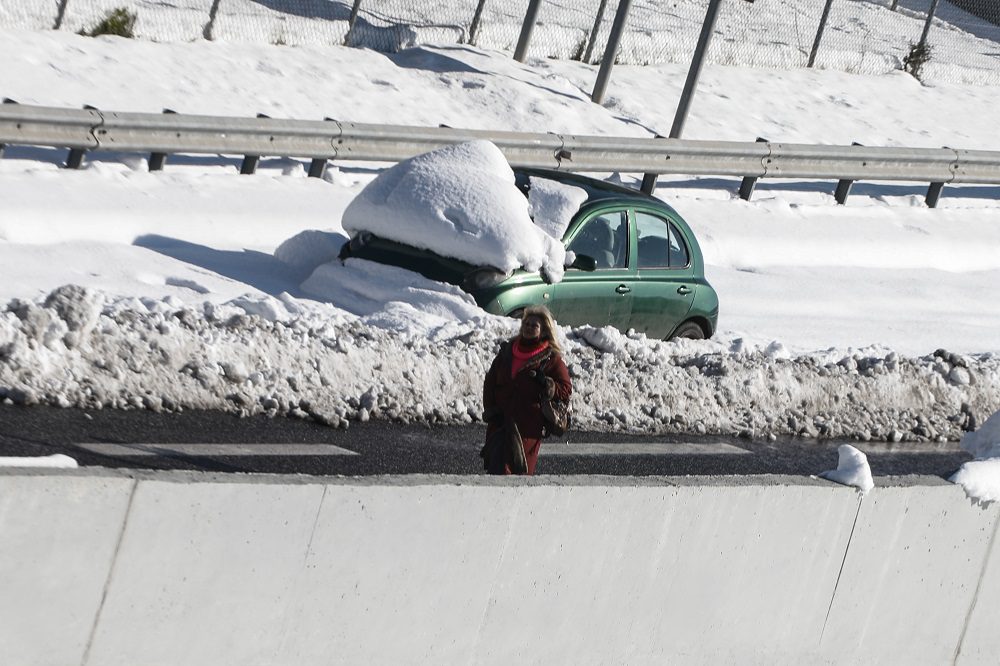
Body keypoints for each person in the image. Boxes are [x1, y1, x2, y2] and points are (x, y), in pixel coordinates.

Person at [481, 305, 572, 475]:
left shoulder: (551, 359)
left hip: (528, 426)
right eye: (526, 324)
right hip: (501, 421)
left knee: (517, 472)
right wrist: (491, 410)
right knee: (496, 468)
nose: (529, 328)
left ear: (544, 330)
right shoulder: (507, 352)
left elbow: (565, 389)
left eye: (534, 326)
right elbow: (490, 382)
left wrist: (547, 384)